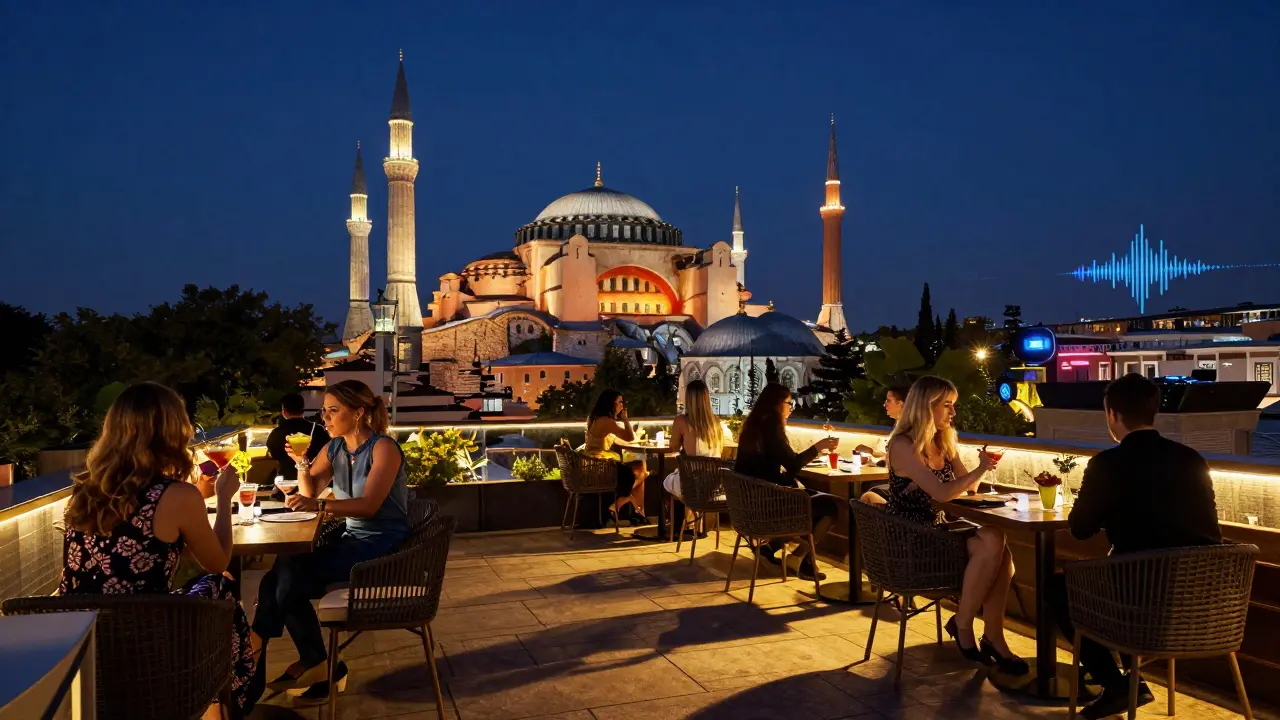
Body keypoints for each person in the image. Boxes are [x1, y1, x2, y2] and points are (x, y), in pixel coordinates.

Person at [59, 382, 261, 718]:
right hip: (147, 643)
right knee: (221, 584)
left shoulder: (83, 493)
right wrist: (224, 498)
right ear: (171, 433)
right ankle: (223, 703)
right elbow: (216, 561)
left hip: (80, 645)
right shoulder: (176, 495)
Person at [1048, 373, 1222, 719]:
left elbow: (1080, 528)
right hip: (1202, 602)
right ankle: (1133, 679)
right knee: (1121, 579)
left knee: (1058, 588)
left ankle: (1116, 686)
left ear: (1112, 414)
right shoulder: (1192, 459)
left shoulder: (1108, 464)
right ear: (1154, 411)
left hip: (1139, 601)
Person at [252, 379, 410, 701]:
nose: (325, 418)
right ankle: (314, 662)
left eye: (333, 411)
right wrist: (301, 465)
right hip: (351, 539)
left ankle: (259, 646)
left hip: (381, 546)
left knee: (285, 575)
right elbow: (309, 491)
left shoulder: (384, 448)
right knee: (281, 577)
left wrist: (319, 504)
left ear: (359, 413)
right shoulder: (335, 447)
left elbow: (368, 506)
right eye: (323, 411)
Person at [884, 376, 1028, 675]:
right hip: (911, 538)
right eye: (947, 405)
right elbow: (942, 492)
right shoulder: (902, 444)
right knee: (996, 548)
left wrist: (980, 468)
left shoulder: (942, 441)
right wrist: (979, 469)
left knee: (998, 546)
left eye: (954, 405)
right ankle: (970, 627)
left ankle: (986, 633)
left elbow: (969, 489)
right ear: (926, 407)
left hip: (937, 529)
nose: (953, 413)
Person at [733, 382, 840, 581]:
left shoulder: (754, 426)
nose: (791, 407)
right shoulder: (770, 430)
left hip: (752, 504)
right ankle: (802, 559)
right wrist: (819, 447)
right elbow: (792, 463)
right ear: (776, 404)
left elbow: (772, 469)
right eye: (789, 403)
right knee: (830, 507)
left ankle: (770, 548)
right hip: (769, 506)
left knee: (812, 498)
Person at [662, 379, 726, 535]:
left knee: (666, 482)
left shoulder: (681, 421)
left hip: (693, 484)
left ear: (688, 398)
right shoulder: (716, 423)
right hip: (715, 485)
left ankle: (676, 526)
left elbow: (674, 447)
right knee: (682, 478)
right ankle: (692, 524)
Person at [584, 389, 649, 527]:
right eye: (620, 402)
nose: (622, 405)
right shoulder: (606, 421)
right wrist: (625, 418)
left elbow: (616, 439)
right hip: (600, 466)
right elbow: (629, 437)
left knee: (640, 469)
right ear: (611, 404)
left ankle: (636, 510)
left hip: (592, 462)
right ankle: (620, 504)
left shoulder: (595, 418)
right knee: (639, 472)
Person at [266, 393, 331, 482]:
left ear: (284, 411)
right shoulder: (318, 429)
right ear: (302, 410)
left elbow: (274, 454)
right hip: (315, 478)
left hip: (287, 479)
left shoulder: (277, 433)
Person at [855, 385, 909, 461]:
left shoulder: (907, 429)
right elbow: (888, 453)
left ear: (900, 404)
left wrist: (870, 456)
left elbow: (897, 459)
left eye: (889, 400)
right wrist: (871, 452)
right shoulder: (899, 425)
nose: (885, 405)